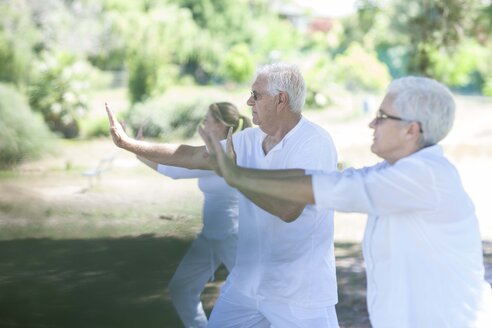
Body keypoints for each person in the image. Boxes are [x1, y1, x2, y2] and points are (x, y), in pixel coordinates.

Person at [201, 76, 492, 328]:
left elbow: (337, 187)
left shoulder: (424, 176)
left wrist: (237, 175)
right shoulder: (396, 171)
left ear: (411, 130)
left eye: (382, 116)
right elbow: (323, 177)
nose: (371, 122)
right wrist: (240, 174)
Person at [106, 63, 340, 327]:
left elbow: (288, 210)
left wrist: (234, 175)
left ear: (281, 100)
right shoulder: (248, 139)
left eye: (256, 94)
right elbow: (192, 154)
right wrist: (129, 143)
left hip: (299, 294)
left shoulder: (314, 143)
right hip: (246, 286)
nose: (248, 100)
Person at [136, 102, 251, 328]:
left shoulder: (220, 153)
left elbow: (173, 169)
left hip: (233, 237)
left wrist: (137, 149)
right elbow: (172, 165)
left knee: (254, 296)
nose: (203, 123)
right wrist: (138, 151)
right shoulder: (214, 149)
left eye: (207, 119)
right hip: (210, 237)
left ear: (218, 125)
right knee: (182, 288)